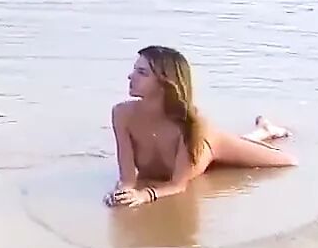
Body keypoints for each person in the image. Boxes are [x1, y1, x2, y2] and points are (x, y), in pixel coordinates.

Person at [105, 45, 297, 208]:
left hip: (210, 146)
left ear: (165, 83)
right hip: (196, 150)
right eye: (135, 70)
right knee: (236, 148)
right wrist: (121, 193)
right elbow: (128, 179)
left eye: (142, 73)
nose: (130, 76)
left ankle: (265, 132)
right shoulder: (122, 114)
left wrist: (144, 195)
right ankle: (263, 132)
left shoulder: (190, 122)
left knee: (286, 162)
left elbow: (177, 185)